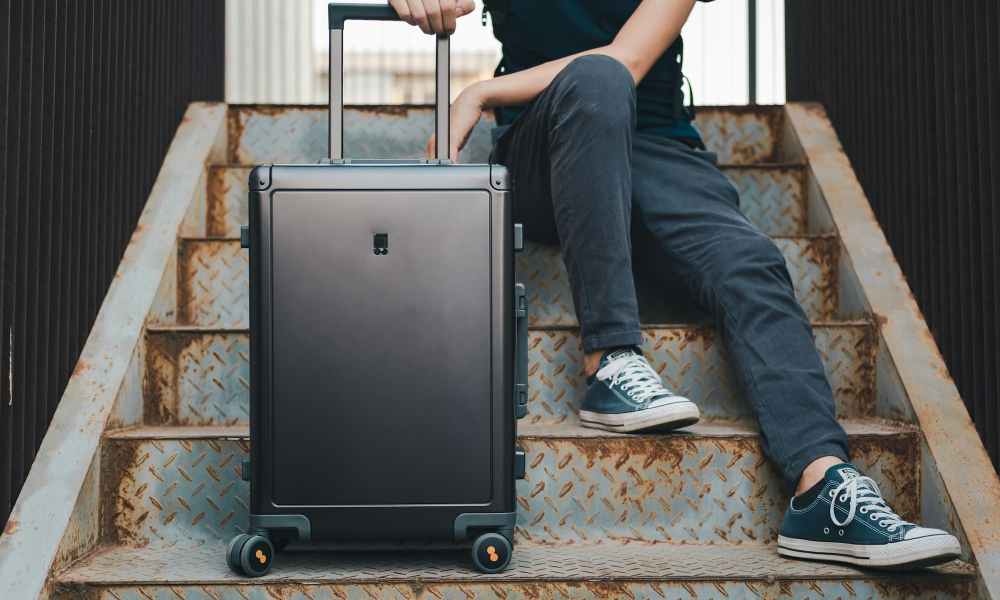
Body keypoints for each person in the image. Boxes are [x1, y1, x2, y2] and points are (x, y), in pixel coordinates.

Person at [387, 0, 961, 569]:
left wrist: (479, 93)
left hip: (656, 145)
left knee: (750, 263)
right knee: (592, 85)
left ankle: (822, 488)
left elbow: (628, 59)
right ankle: (610, 360)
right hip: (546, 143)